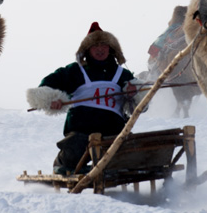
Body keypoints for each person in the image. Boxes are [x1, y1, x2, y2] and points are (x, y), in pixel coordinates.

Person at [26, 22, 147, 175]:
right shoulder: (76, 71)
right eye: (95, 46)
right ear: (87, 50)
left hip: (113, 131)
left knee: (126, 148)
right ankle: (63, 163)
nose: (100, 49)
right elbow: (48, 85)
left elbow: (140, 103)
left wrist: (133, 93)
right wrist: (51, 99)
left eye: (104, 45)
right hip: (81, 130)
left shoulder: (122, 74)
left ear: (110, 48)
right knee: (75, 146)